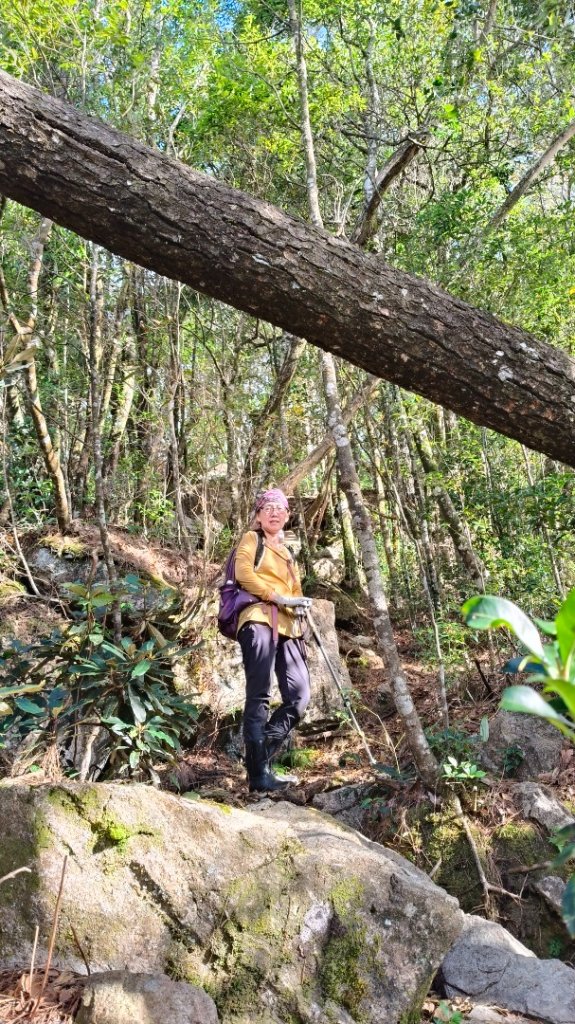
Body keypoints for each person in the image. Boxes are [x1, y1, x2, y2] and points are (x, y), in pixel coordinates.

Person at [235, 488, 312, 793]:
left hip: (290, 626)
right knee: (259, 694)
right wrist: (277, 597)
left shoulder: (288, 552)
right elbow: (243, 574)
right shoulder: (252, 540)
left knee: (299, 696)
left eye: (280, 508)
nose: (274, 512)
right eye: (268, 507)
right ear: (258, 514)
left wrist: (298, 602)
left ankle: (259, 759)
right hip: (259, 619)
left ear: (287, 516)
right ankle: (259, 776)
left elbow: (294, 590)